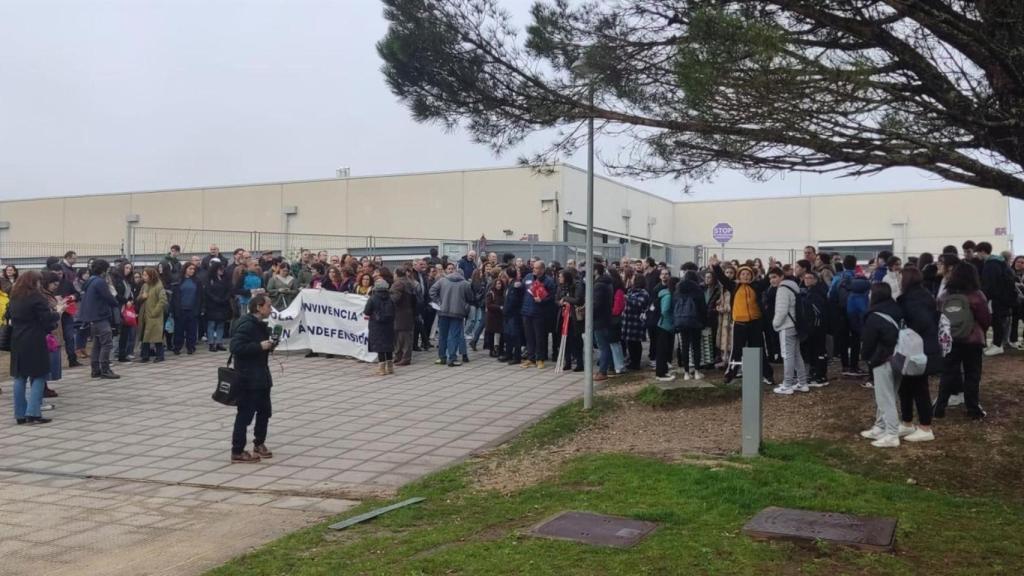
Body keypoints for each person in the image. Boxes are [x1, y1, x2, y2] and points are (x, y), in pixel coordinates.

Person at [935, 262, 991, 420]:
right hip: (972, 340)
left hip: (950, 339)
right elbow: (985, 318)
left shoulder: (945, 295)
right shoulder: (977, 295)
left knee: (948, 373)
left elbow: (939, 314)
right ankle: (973, 408)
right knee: (972, 374)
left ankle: (939, 407)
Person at [9, 271, 62, 424]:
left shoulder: (14, 297)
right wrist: (57, 312)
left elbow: (9, 317)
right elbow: (46, 320)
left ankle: (19, 414)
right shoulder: (37, 298)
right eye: (39, 282)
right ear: (34, 282)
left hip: (17, 339)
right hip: (34, 339)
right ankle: (33, 412)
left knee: (20, 377)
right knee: (39, 374)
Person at [710, 254, 773, 385]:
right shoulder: (734, 286)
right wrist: (716, 266)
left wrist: (771, 268)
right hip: (739, 323)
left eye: (748, 274)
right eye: (743, 274)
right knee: (736, 350)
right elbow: (722, 278)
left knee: (759, 348)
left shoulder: (756, 286)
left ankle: (767, 374)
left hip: (755, 323)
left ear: (752, 275)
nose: (745, 276)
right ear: (739, 276)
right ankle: (730, 374)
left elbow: (766, 281)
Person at [229, 294, 277, 463]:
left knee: (265, 411)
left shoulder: (260, 324)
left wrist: (270, 345)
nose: (271, 309)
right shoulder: (246, 324)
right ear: (259, 307)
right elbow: (236, 347)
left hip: (262, 375)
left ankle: (259, 443)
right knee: (245, 415)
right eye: (269, 306)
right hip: (248, 378)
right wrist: (259, 346)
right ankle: (237, 450)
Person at [895, 266, 940, 442]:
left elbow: (921, 322)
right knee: (905, 386)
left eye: (900, 278)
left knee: (919, 387)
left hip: (917, 349)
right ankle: (907, 422)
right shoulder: (925, 295)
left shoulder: (912, 299)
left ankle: (925, 427)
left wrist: (906, 333)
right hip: (917, 347)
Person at [859, 283, 904, 448]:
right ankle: (880, 426)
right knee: (888, 395)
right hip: (900, 358)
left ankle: (892, 433)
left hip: (882, 359)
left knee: (885, 398)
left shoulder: (874, 316)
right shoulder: (898, 310)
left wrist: (868, 358)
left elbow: (869, 341)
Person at [77, 259, 120, 379]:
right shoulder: (100, 282)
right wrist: (116, 302)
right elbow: (109, 298)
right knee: (107, 343)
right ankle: (105, 369)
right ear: (103, 270)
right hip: (100, 316)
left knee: (97, 344)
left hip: (91, 317)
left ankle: (95, 369)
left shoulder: (90, 281)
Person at [770, 267, 808, 395]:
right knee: (796, 355)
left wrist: (775, 324)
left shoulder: (782, 290)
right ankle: (802, 382)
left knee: (787, 356)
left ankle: (787, 384)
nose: (772, 280)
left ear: (781, 277)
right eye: (770, 277)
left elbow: (781, 310)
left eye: (774, 277)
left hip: (786, 326)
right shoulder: (793, 287)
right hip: (795, 326)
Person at [975, 242, 1015, 356]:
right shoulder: (999, 262)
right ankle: (996, 344)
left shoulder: (991, 264)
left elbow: (990, 284)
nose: (977, 255)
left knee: (997, 321)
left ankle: (998, 345)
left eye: (978, 252)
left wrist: (984, 297)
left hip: (996, 298)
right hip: (1003, 297)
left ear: (983, 251)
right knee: (997, 321)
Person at [429, 266, 474, 367]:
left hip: (443, 311)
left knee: (442, 335)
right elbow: (470, 298)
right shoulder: (465, 284)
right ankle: (452, 358)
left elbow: (432, 291)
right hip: (457, 313)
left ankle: (442, 357)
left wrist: (439, 302)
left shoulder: (442, 281)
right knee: (454, 335)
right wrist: (465, 306)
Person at [521, 260, 557, 369]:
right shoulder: (528, 277)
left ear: (542, 269)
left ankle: (540, 358)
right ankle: (531, 358)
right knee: (529, 336)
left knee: (539, 336)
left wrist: (542, 300)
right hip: (527, 311)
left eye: (536, 268)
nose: (534, 270)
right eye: (533, 268)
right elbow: (523, 290)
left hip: (540, 313)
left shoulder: (548, 281)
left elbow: (552, 296)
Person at [675, 270, 707, 380]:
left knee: (685, 346)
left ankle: (686, 373)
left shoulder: (678, 289)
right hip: (695, 321)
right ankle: (697, 371)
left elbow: (675, 305)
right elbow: (703, 308)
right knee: (696, 346)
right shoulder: (698, 290)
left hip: (682, 321)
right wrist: (704, 322)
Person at [800, 271, 830, 386]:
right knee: (814, 352)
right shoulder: (808, 292)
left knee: (819, 351)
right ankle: (815, 374)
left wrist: (814, 327)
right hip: (813, 328)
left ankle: (820, 376)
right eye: (805, 277)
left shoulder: (816, 294)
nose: (807, 279)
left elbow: (818, 312)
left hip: (817, 328)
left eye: (810, 278)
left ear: (816, 280)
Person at [364, 279, 397, 375]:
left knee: (380, 346)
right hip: (389, 325)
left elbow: (367, 311)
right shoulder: (390, 298)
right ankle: (390, 367)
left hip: (376, 325)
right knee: (388, 345)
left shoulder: (373, 298)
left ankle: (382, 368)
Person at [171, 262, 203, 355]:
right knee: (179, 330)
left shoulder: (197, 281)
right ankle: (177, 347)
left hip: (193, 309)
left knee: (192, 330)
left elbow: (200, 296)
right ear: (185, 269)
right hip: (180, 310)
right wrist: (173, 309)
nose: (192, 271)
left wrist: (201, 308)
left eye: (193, 269)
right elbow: (174, 297)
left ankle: (191, 347)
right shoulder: (179, 280)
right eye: (190, 269)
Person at [137, 267, 168, 363]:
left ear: (151, 275)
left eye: (145, 275)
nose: (143, 277)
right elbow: (138, 299)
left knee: (157, 337)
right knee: (145, 336)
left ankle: (160, 355)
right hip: (145, 315)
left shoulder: (159, 286)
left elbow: (163, 301)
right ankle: (145, 356)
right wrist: (142, 297)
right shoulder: (145, 286)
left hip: (154, 316)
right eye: (143, 275)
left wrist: (155, 312)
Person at [390, 266, 417, 366]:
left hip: (400, 313)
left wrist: (387, 299)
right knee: (403, 336)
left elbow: (395, 299)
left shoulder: (398, 284)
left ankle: (404, 357)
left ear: (396, 274)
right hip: (408, 312)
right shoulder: (410, 282)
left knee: (402, 337)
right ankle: (399, 356)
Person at [112, 261, 136, 363]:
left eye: (130, 268)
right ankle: (112, 355)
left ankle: (122, 355)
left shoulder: (127, 280)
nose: (128, 270)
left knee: (125, 332)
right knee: (116, 332)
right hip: (118, 307)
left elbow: (129, 293)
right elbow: (115, 294)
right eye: (126, 268)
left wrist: (130, 300)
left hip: (126, 308)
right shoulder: (117, 279)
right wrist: (126, 301)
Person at [205, 261, 232, 352]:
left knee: (221, 324)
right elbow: (208, 291)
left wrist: (225, 298)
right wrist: (215, 299)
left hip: (223, 304)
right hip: (212, 304)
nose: (222, 271)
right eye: (220, 269)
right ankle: (211, 343)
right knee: (211, 324)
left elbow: (229, 289)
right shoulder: (209, 278)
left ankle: (219, 342)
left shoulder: (225, 278)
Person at [502, 267, 525, 364]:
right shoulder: (510, 284)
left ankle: (517, 357)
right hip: (508, 314)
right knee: (508, 335)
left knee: (515, 336)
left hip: (514, 314)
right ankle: (508, 354)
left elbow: (513, 301)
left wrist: (506, 310)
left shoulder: (516, 284)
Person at [485, 275, 506, 359]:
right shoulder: (491, 293)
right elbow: (489, 305)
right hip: (492, 317)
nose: (499, 285)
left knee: (501, 333)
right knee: (491, 334)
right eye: (497, 284)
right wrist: (499, 307)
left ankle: (500, 349)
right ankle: (491, 350)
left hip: (500, 317)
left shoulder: (503, 293)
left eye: (500, 284)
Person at [1010, 255, 1024, 350]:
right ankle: (1013, 340)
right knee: (1013, 322)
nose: (1019, 264)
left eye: (1022, 262)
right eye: (1018, 261)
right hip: (1014, 301)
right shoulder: (1009, 273)